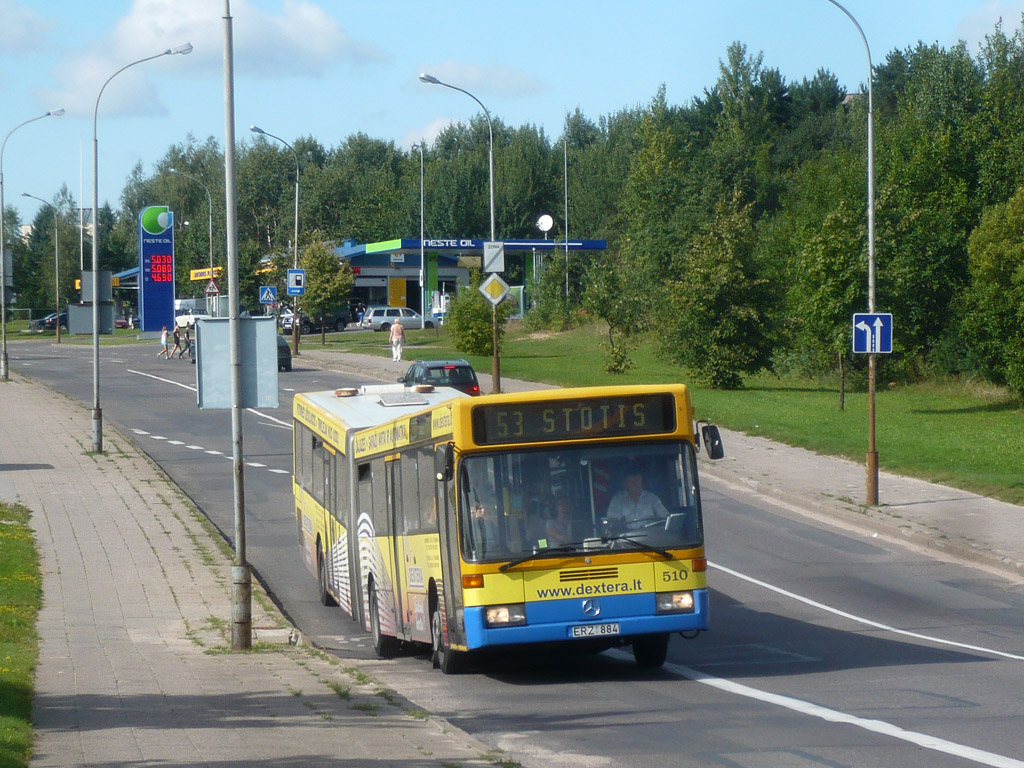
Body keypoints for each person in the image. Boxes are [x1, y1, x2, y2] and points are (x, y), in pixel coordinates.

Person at [606, 466, 668, 531]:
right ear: (625, 483)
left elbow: (665, 518)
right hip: (626, 538)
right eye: (633, 483)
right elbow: (612, 523)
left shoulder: (652, 498)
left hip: (650, 537)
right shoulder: (617, 500)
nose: (636, 485)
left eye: (638, 482)